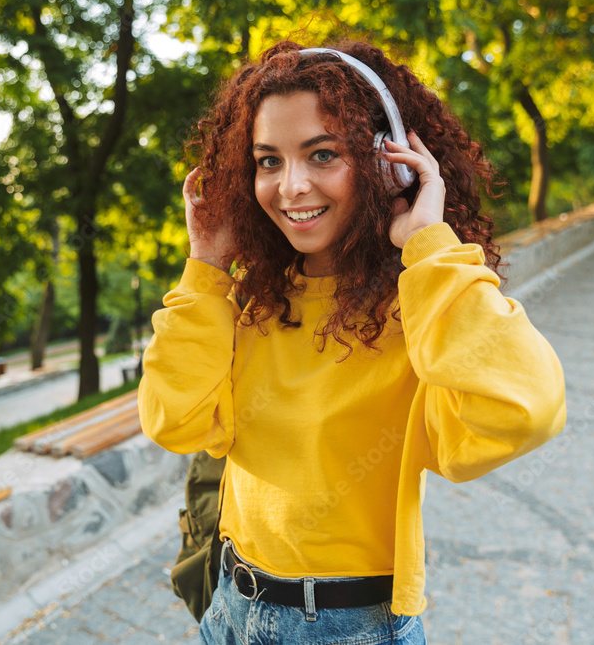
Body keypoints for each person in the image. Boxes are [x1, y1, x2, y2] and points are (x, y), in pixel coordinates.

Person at [139, 39, 566, 644]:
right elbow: (173, 420)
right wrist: (206, 268)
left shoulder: (417, 310)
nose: (291, 187)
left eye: (321, 154)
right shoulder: (254, 301)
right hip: (230, 607)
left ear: (388, 163)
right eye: (268, 161)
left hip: (349, 627)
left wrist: (430, 247)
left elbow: (525, 409)